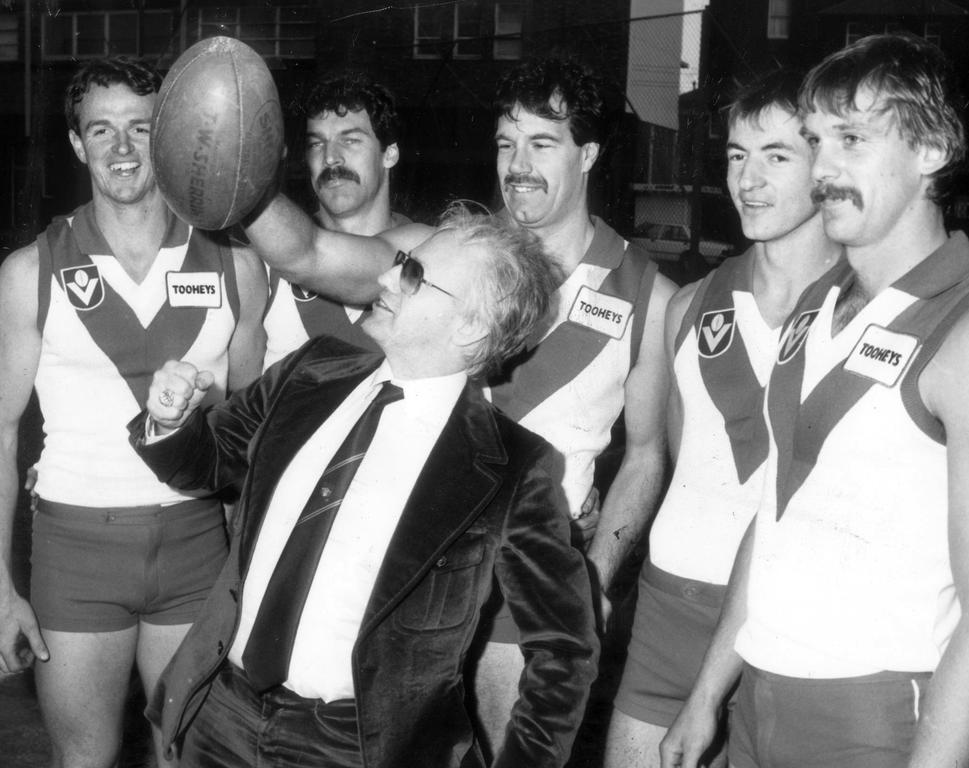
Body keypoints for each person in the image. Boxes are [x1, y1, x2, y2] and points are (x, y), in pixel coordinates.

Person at [229, 56, 674, 754]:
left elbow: (646, 455)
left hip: (524, 592)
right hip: (405, 572)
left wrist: (598, 577)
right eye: (505, 143)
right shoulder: (442, 253)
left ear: (588, 152)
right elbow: (311, 253)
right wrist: (238, 178)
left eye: (541, 143)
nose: (516, 165)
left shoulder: (650, 293)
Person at [661, 33, 969, 768]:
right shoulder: (815, 306)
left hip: (875, 716)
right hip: (757, 693)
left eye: (852, 140)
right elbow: (774, 512)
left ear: (932, 150)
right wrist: (706, 698)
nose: (823, 170)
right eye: (817, 141)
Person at [130, 205, 599, 768]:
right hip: (220, 717)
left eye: (413, 275)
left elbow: (564, 651)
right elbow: (203, 467)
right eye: (401, 262)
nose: (383, 279)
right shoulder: (310, 372)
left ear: (472, 325)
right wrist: (171, 419)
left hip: (359, 747)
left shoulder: (512, 470)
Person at [0, 56, 266, 768]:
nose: (122, 149)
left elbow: (254, 432)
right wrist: (0, 588)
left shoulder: (237, 266)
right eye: (102, 130)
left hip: (196, 546)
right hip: (75, 550)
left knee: (191, 756)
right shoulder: (31, 271)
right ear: (77, 145)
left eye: (142, 129)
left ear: (173, 137)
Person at [604, 69, 840, 768]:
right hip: (669, 606)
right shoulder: (689, 306)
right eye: (736, 156)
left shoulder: (860, 313)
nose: (748, 179)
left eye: (776, 156)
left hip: (788, 621)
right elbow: (680, 460)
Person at [262, 70, 409, 368]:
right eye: (317, 144)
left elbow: (308, 251)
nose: (331, 158)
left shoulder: (427, 248)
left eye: (350, 141)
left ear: (389, 154)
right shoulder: (261, 255)